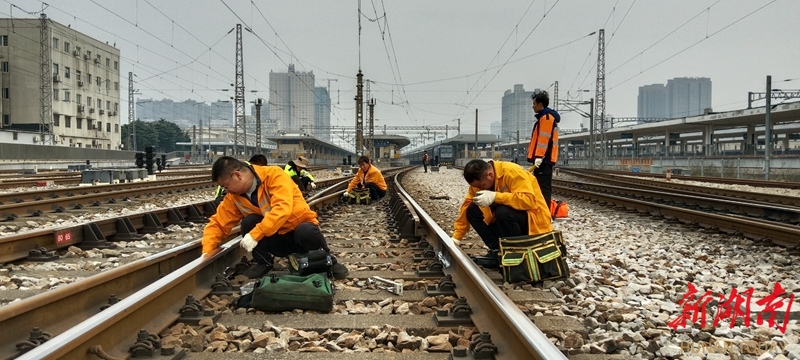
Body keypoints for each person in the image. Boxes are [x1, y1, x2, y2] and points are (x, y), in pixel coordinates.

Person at [202, 156, 349, 280]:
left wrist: (254, 235)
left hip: (300, 235)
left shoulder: (274, 175)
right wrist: (207, 251)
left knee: (306, 230)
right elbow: (218, 223)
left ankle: (329, 261)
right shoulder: (233, 197)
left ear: (238, 175)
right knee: (249, 221)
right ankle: (264, 262)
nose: (226, 190)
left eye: (226, 186)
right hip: (277, 240)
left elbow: (282, 209)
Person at [452, 159, 552, 267]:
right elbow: (466, 206)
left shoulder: (512, 172)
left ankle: (517, 253)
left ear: (490, 175)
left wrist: (496, 197)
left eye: (482, 186)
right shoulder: (479, 183)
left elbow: (528, 200)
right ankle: (499, 251)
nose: (479, 189)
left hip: (533, 219)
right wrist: (457, 237)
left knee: (503, 212)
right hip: (509, 221)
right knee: (472, 209)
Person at [527, 90, 560, 206]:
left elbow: (543, 140)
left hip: (543, 160)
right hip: (543, 159)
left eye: (534, 104)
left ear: (540, 104)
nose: (533, 106)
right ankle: (541, 211)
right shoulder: (544, 117)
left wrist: (539, 156)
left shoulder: (546, 118)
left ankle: (544, 213)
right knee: (540, 187)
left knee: (543, 189)